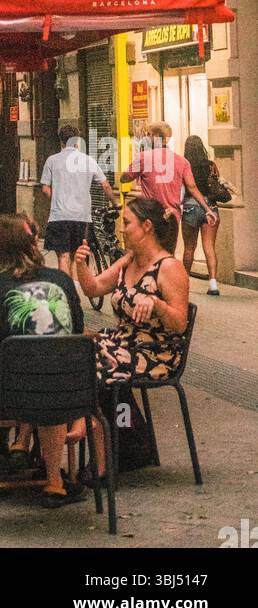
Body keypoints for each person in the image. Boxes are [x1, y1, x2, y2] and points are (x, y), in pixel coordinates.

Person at [0, 214, 86, 508]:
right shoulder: (62, 280)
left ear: (1, 249)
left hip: (13, 398)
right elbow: (76, 333)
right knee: (46, 383)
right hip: (68, 394)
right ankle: (54, 482)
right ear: (34, 244)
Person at [73, 197, 191, 472]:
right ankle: (123, 441)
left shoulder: (169, 268)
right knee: (76, 350)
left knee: (95, 361)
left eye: (127, 223)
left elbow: (180, 324)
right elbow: (93, 288)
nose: (122, 229)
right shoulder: (128, 261)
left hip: (155, 354)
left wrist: (158, 305)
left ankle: (99, 448)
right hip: (122, 346)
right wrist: (81, 265)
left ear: (147, 226)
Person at [41, 124, 119, 278]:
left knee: (63, 256)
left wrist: (56, 199)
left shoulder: (52, 160)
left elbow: (45, 188)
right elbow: (105, 185)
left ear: (61, 142)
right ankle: (80, 286)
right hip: (82, 217)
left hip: (59, 216)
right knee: (79, 256)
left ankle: (67, 292)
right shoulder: (88, 160)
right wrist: (115, 204)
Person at [124, 122, 215, 253]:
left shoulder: (144, 158)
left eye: (148, 135)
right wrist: (207, 209)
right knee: (168, 253)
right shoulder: (182, 161)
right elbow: (192, 187)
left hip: (150, 216)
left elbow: (125, 177)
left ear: (155, 136)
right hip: (172, 217)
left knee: (146, 254)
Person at [182, 135, 221, 295]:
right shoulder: (211, 165)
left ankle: (184, 283)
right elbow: (217, 183)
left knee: (189, 247)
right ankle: (213, 284)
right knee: (209, 246)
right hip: (210, 207)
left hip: (190, 206)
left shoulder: (184, 165)